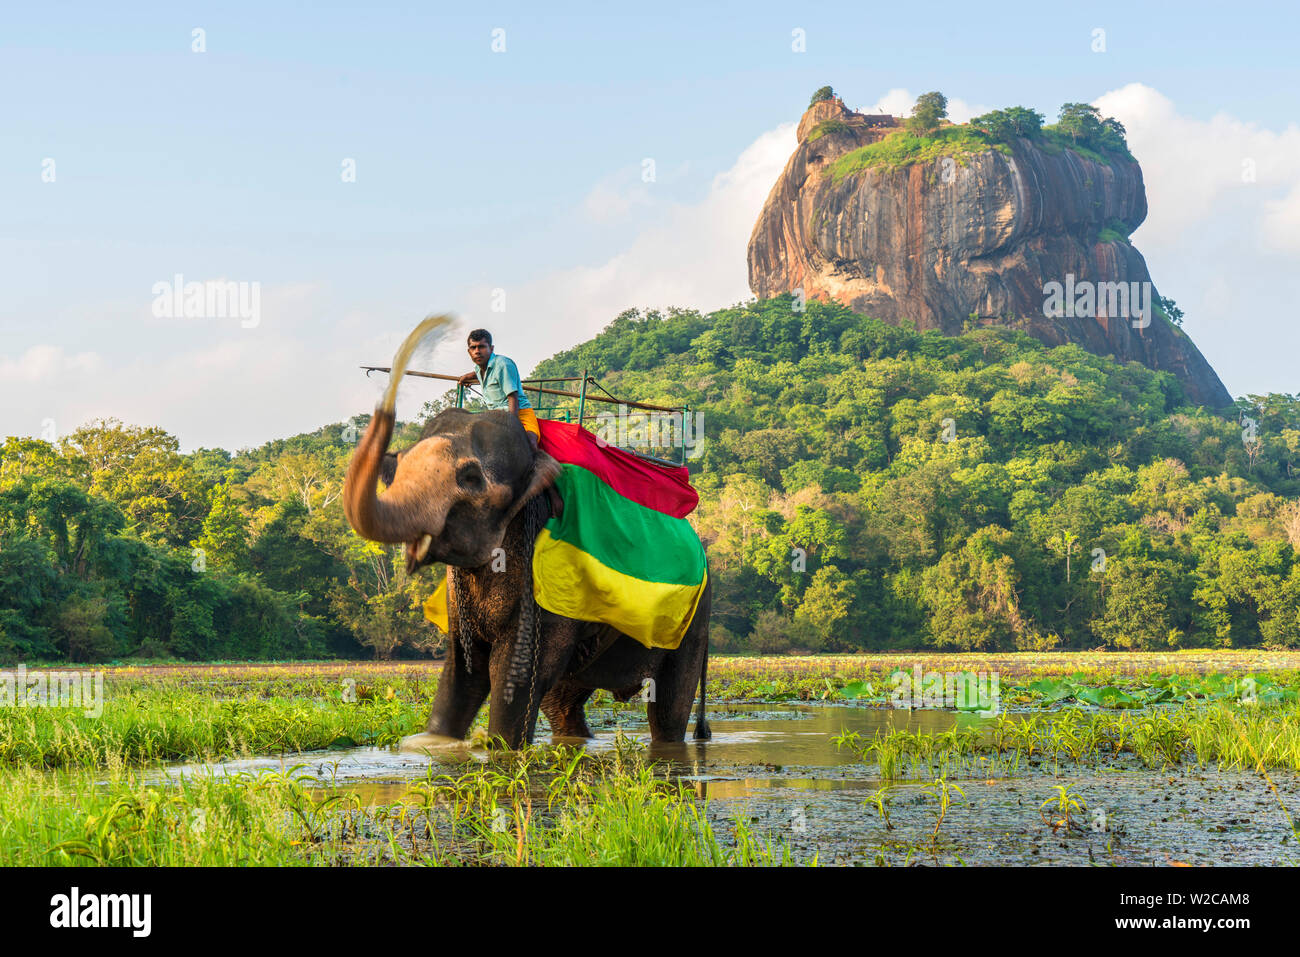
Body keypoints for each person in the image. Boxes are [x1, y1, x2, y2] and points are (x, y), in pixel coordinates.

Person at [458, 329, 540, 448]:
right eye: (473, 348)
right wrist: (466, 377)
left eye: (481, 347)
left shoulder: (503, 365)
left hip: (519, 413)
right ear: (469, 351)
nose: (477, 351)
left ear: (491, 349)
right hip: (494, 416)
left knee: (530, 444)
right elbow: (478, 372)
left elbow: (513, 398)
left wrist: (513, 426)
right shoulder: (479, 367)